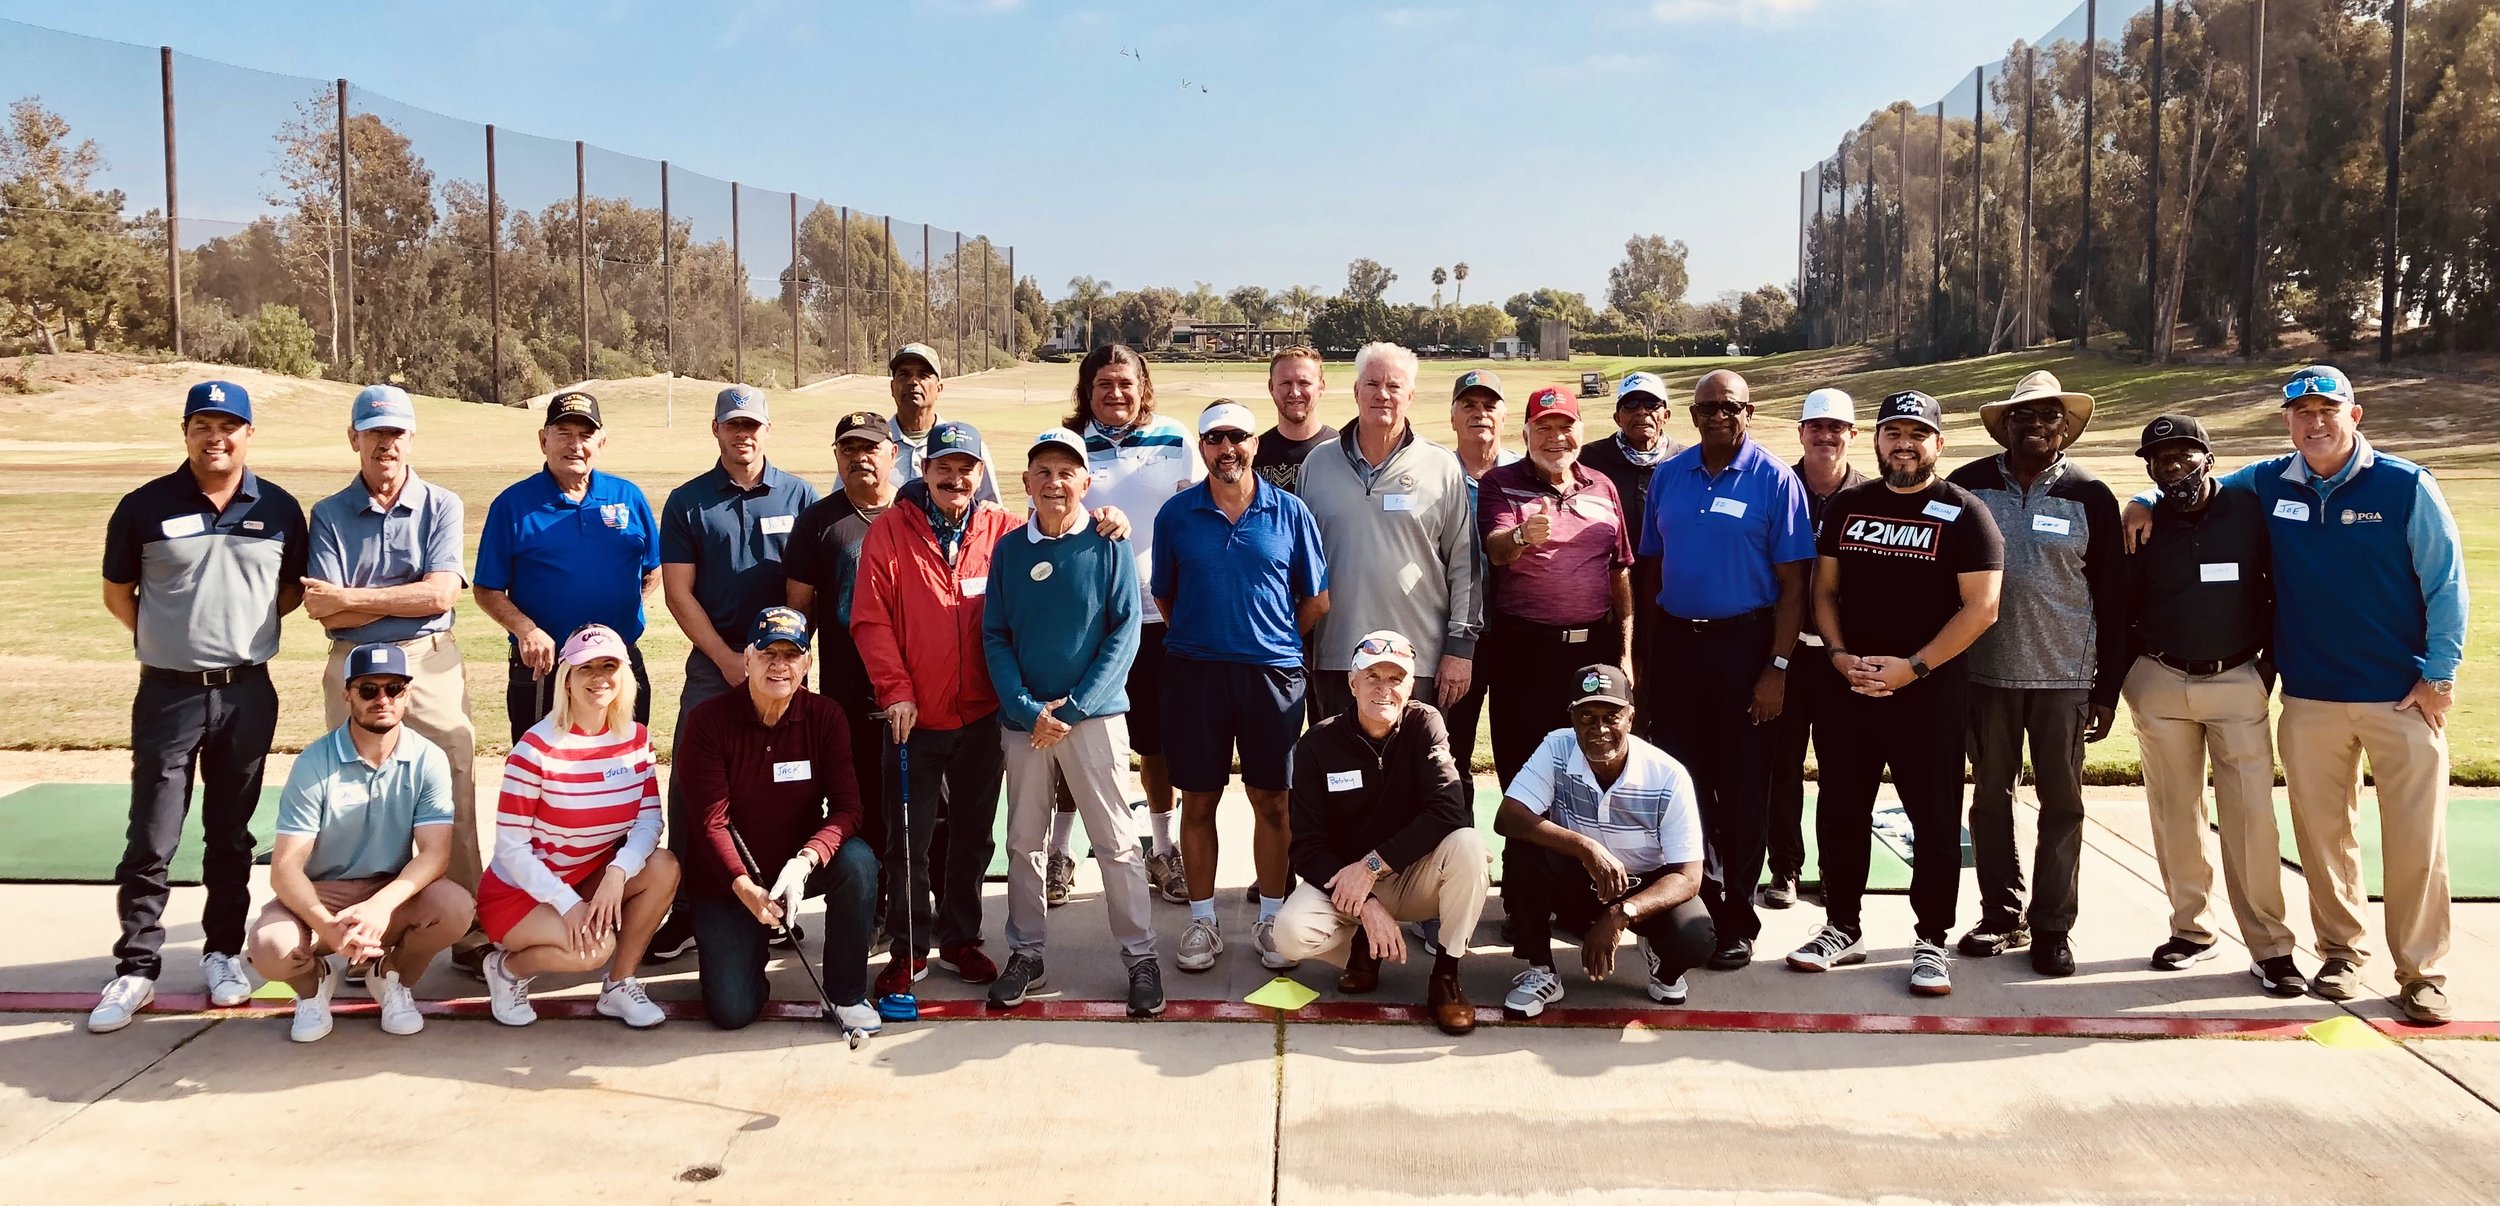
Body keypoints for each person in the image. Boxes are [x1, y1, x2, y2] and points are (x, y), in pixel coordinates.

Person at [2127, 365, 2467, 1024]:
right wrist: (2143, 501)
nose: (2315, 424)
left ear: (2354, 415)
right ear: (2288, 422)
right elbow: (2195, 485)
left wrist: (2440, 674)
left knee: (2416, 843)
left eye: (2327, 411)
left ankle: (2422, 971)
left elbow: (2447, 584)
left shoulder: (2405, 485)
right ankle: (2340, 952)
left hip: (2401, 695)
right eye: (2302, 414)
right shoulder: (2266, 482)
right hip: (2309, 697)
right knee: (2322, 837)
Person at [91, 381, 309, 1035]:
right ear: (185, 432)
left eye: (230, 425)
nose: (217, 437)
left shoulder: (277, 508)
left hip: (247, 690)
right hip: (169, 690)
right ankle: (136, 967)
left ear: (249, 434)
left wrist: (239, 630)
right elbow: (117, 591)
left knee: (231, 833)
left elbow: (292, 590)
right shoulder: (144, 506)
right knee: (153, 835)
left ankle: (220, 952)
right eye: (203, 425)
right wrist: (168, 638)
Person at [1784, 391, 2001, 998]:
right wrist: (1836, 653)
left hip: (1927, 691)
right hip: (1849, 684)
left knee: (1933, 818)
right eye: (1892, 433)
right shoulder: (1849, 506)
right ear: (1875, 440)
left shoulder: (1965, 512)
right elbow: (1823, 590)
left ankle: (1931, 939)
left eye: (1917, 434)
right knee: (1840, 807)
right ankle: (1841, 926)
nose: (1904, 444)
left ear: (1939, 442)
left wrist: (1915, 667)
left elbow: (1982, 607)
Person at [300, 385, 487, 977]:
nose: (387, 444)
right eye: (375, 432)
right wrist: (394, 599)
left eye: (397, 433)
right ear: (354, 437)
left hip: (426, 659)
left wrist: (354, 598)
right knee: (352, 792)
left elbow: (440, 594)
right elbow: (321, 611)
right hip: (352, 664)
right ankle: (357, 925)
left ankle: (468, 924)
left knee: (452, 776)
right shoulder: (329, 513)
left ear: (411, 438)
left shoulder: (441, 504)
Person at [1946, 370, 2126, 978]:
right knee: (1990, 801)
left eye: (2049, 417)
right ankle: (2001, 914)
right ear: (2008, 425)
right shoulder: (1967, 486)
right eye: (2024, 416)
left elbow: (2113, 597)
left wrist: (2106, 689)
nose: (2036, 426)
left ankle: (2052, 925)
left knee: (2062, 804)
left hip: (2064, 679)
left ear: (2064, 427)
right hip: (1985, 673)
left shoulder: (2090, 494)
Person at [1637, 368, 1814, 971]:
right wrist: (1646, 665)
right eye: (1707, 407)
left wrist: (1778, 667)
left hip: (1747, 649)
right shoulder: (1668, 477)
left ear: (1749, 411)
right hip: (1680, 649)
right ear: (1691, 416)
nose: (1718, 416)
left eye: (1730, 407)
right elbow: (1651, 575)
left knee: (1742, 789)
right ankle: (1698, 906)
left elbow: (1795, 586)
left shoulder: (1776, 481)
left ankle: (1737, 917)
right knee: (1683, 785)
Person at [983, 430, 1165, 1016]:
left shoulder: (1109, 544)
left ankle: (1139, 956)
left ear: (1086, 481)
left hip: (1094, 719)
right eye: (1043, 472)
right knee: (1023, 843)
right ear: (1027, 483)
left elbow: (1125, 631)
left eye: (1068, 472)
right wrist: (1025, 707)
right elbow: (996, 635)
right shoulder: (1009, 551)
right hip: (1027, 722)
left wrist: (1077, 707)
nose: (1055, 483)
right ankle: (1027, 952)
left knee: (1115, 843)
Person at [2119, 415, 2303, 994]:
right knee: (2176, 814)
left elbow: (2282, 587)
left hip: (2236, 679)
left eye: (2184, 455)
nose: (2174, 468)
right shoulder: (2144, 522)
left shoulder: (2250, 511)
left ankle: (2270, 948)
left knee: (2251, 819)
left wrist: (2265, 670)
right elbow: (2119, 599)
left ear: (2209, 456)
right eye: (2160, 461)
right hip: (2159, 678)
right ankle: (2192, 931)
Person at [1152, 402, 1331, 974]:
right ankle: (1203, 921)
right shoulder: (1176, 515)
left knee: (1273, 801)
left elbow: (1317, 599)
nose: (1226, 448)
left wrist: (1271, 638)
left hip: (1272, 676)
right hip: (1196, 674)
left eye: (1238, 437)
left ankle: (1272, 919)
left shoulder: (1292, 512)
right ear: (1201, 447)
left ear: (1256, 444)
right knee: (1199, 799)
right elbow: (1166, 597)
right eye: (1214, 438)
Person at [653, 385, 820, 962]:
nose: (742, 434)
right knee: (691, 789)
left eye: (752, 425)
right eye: (732, 425)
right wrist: (729, 660)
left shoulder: (801, 495)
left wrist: (781, 663)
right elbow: (678, 592)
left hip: (782, 666)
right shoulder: (688, 501)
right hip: (714, 665)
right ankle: (689, 911)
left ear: (767, 430)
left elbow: (807, 589)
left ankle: (777, 902)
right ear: (716, 430)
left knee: (784, 785)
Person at [852, 420, 1017, 995]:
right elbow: (870, 619)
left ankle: (961, 938)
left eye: (965, 468)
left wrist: (1106, 524)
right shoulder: (890, 530)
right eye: (943, 467)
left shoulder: (1003, 529)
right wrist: (894, 690)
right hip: (913, 718)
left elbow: (1060, 547)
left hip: (981, 714)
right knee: (907, 838)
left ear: (979, 473)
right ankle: (910, 946)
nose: (954, 477)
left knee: (973, 835)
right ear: (924, 471)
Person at [249, 643, 475, 1042]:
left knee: (456, 908)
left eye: (394, 689)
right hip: (322, 892)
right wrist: (329, 927)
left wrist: (379, 907)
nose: (382, 699)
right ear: (347, 694)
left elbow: (436, 853)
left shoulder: (429, 759)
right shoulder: (315, 763)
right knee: (271, 948)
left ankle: (390, 977)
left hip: (389, 891)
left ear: (408, 694)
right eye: (368, 690)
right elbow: (285, 867)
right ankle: (313, 985)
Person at [1272, 631, 1490, 1036]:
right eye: (1372, 676)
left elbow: (1449, 809)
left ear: (1411, 687)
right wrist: (1366, 904)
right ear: (1351, 683)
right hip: (1347, 882)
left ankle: (1445, 975)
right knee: (1287, 935)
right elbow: (1307, 847)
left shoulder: (1426, 724)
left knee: (1470, 847)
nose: (1383, 689)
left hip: (1409, 875)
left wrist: (1372, 866)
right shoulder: (1316, 745)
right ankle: (1363, 945)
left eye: (1395, 679)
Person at [674, 608, 881, 1033]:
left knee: (858, 861)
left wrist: (805, 861)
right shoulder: (708, 722)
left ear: (807, 664)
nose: (779, 665)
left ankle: (846, 994)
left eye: (792, 655)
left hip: (794, 867)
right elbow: (711, 822)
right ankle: (747, 947)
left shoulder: (826, 717)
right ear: (747, 658)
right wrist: (746, 888)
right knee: (732, 1011)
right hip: (729, 879)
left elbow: (847, 810)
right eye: (768, 653)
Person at [475, 624, 679, 1029]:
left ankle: (619, 986)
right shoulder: (535, 750)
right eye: (586, 668)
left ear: (624, 675)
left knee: (664, 866)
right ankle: (506, 968)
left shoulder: (636, 738)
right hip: (521, 893)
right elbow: (511, 848)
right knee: (591, 950)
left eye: (609, 666)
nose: (600, 677)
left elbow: (649, 819)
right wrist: (568, 904)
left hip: (590, 876)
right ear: (566, 679)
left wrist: (618, 873)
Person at [1060, 344, 1203, 907]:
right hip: (1087, 620)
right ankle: (1060, 850)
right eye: (1103, 384)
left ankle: (1162, 850)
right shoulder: (1067, 443)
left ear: (1143, 386)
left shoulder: (1174, 438)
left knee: (1158, 741)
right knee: (1071, 733)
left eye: (1125, 382)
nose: (1115, 393)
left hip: (1161, 619)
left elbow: (1198, 517)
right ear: (1086, 390)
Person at [1493, 665, 1711, 1016]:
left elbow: (1688, 876)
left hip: (1642, 887)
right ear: (1572, 717)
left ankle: (1663, 966)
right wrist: (1586, 847)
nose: (1599, 729)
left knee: (1695, 937)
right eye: (1587, 716)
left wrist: (1621, 914)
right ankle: (1541, 971)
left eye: (1612, 716)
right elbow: (1508, 817)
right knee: (1522, 850)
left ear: (1631, 717)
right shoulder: (1556, 747)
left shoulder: (1668, 775)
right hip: (1580, 879)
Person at [1297, 342, 1482, 724]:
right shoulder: (1318, 463)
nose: (1382, 394)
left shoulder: (1441, 466)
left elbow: (1465, 565)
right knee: (1343, 777)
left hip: (1420, 658)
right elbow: (1298, 561)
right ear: (1356, 392)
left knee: (1415, 775)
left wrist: (1460, 648)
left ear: (1410, 395)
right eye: (1372, 384)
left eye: (1394, 386)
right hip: (1337, 657)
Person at [473, 391, 661, 742]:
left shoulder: (627, 496)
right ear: (543, 440)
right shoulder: (513, 504)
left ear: (601, 442)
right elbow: (486, 588)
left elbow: (653, 567)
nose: (575, 445)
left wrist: (624, 611)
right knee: (543, 772)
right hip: (544, 666)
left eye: (585, 435)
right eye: (564, 433)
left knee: (624, 761)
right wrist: (526, 629)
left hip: (616, 662)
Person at [1477, 387, 1634, 786]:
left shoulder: (1602, 486)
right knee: (1523, 771)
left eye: (1565, 426)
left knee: (1588, 770)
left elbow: (1619, 575)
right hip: (1523, 653)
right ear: (1525, 434)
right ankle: (1524, 851)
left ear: (1580, 430)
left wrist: (1625, 654)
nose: (1555, 437)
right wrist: (1522, 536)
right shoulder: (1500, 483)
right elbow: (1496, 549)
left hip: (1591, 651)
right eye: (1543, 427)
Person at [784, 411, 901, 879]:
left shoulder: (916, 508)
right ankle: (870, 905)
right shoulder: (818, 521)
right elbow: (798, 613)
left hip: (918, 684)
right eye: (848, 450)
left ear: (892, 453)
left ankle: (922, 909)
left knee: (931, 800)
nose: (859, 459)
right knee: (862, 795)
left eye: (870, 448)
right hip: (848, 687)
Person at [1763, 388, 1865, 909]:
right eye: (1816, 427)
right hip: (1782, 653)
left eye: (1836, 428)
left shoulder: (1870, 496)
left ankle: (1832, 873)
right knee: (1780, 767)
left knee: (1841, 769)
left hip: (1841, 658)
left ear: (1852, 434)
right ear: (1801, 433)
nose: (1826, 436)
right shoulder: (1778, 486)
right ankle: (1784, 869)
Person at [1578, 372, 1683, 738]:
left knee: (1663, 692)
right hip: (1606, 600)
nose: (1643, 412)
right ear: (1617, 416)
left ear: (1666, 414)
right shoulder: (1589, 460)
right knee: (1607, 691)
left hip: (1668, 600)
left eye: (1652, 404)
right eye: (1632, 405)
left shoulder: (1685, 462)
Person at [1438, 368, 1520, 771]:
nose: (1480, 413)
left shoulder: (1527, 475)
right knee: (1449, 753)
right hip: (1452, 637)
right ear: (1452, 417)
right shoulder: (1433, 476)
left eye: (1490, 405)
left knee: (1521, 751)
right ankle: (1455, 834)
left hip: (1519, 633)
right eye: (1468, 405)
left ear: (1505, 418)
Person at [887, 342, 1000, 505]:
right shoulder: (875, 445)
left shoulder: (967, 444)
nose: (913, 381)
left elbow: (991, 511)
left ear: (939, 388)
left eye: (923, 375)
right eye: (903, 374)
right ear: (892, 387)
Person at [1253, 345, 1339, 494]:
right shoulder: (1253, 454)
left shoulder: (1343, 451)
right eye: (1285, 383)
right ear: (1271, 387)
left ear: (1321, 387)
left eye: (1304, 383)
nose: (1294, 392)